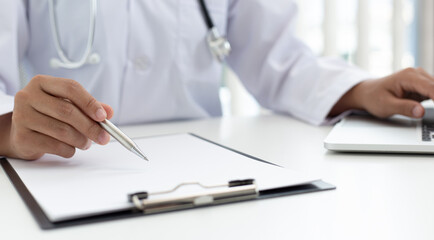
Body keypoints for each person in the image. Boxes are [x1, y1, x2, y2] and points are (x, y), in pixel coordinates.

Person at [0, 0, 433, 160]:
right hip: (67, 169)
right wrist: (12, 131)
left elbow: (276, 58)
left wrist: (360, 90)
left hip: (204, 169)